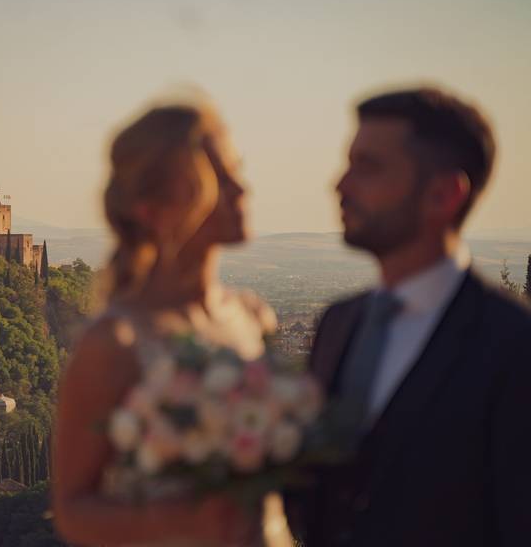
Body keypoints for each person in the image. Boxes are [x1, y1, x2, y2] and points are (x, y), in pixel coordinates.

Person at [293, 87, 531, 546]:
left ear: (443, 194)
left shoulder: (513, 348)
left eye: (368, 167)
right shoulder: (338, 324)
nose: (339, 185)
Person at [52, 101, 292, 546]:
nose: (242, 187)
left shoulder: (253, 317)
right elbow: (72, 510)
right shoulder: (115, 343)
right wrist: (178, 523)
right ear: (151, 207)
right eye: (219, 176)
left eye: (237, 170)